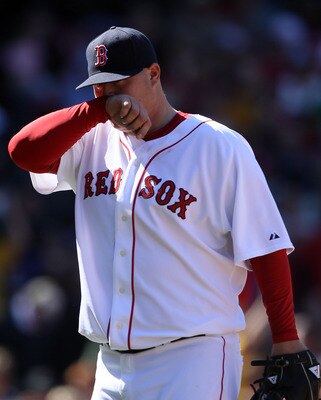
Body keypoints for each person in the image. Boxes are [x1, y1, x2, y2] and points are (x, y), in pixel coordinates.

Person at [8, 26, 320, 400]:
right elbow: (22, 151)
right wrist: (93, 111)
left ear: (153, 75)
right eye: (99, 87)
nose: (109, 95)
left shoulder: (218, 146)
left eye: (119, 83)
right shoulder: (91, 140)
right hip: (109, 365)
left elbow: (265, 248)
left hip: (191, 360)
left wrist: (286, 338)